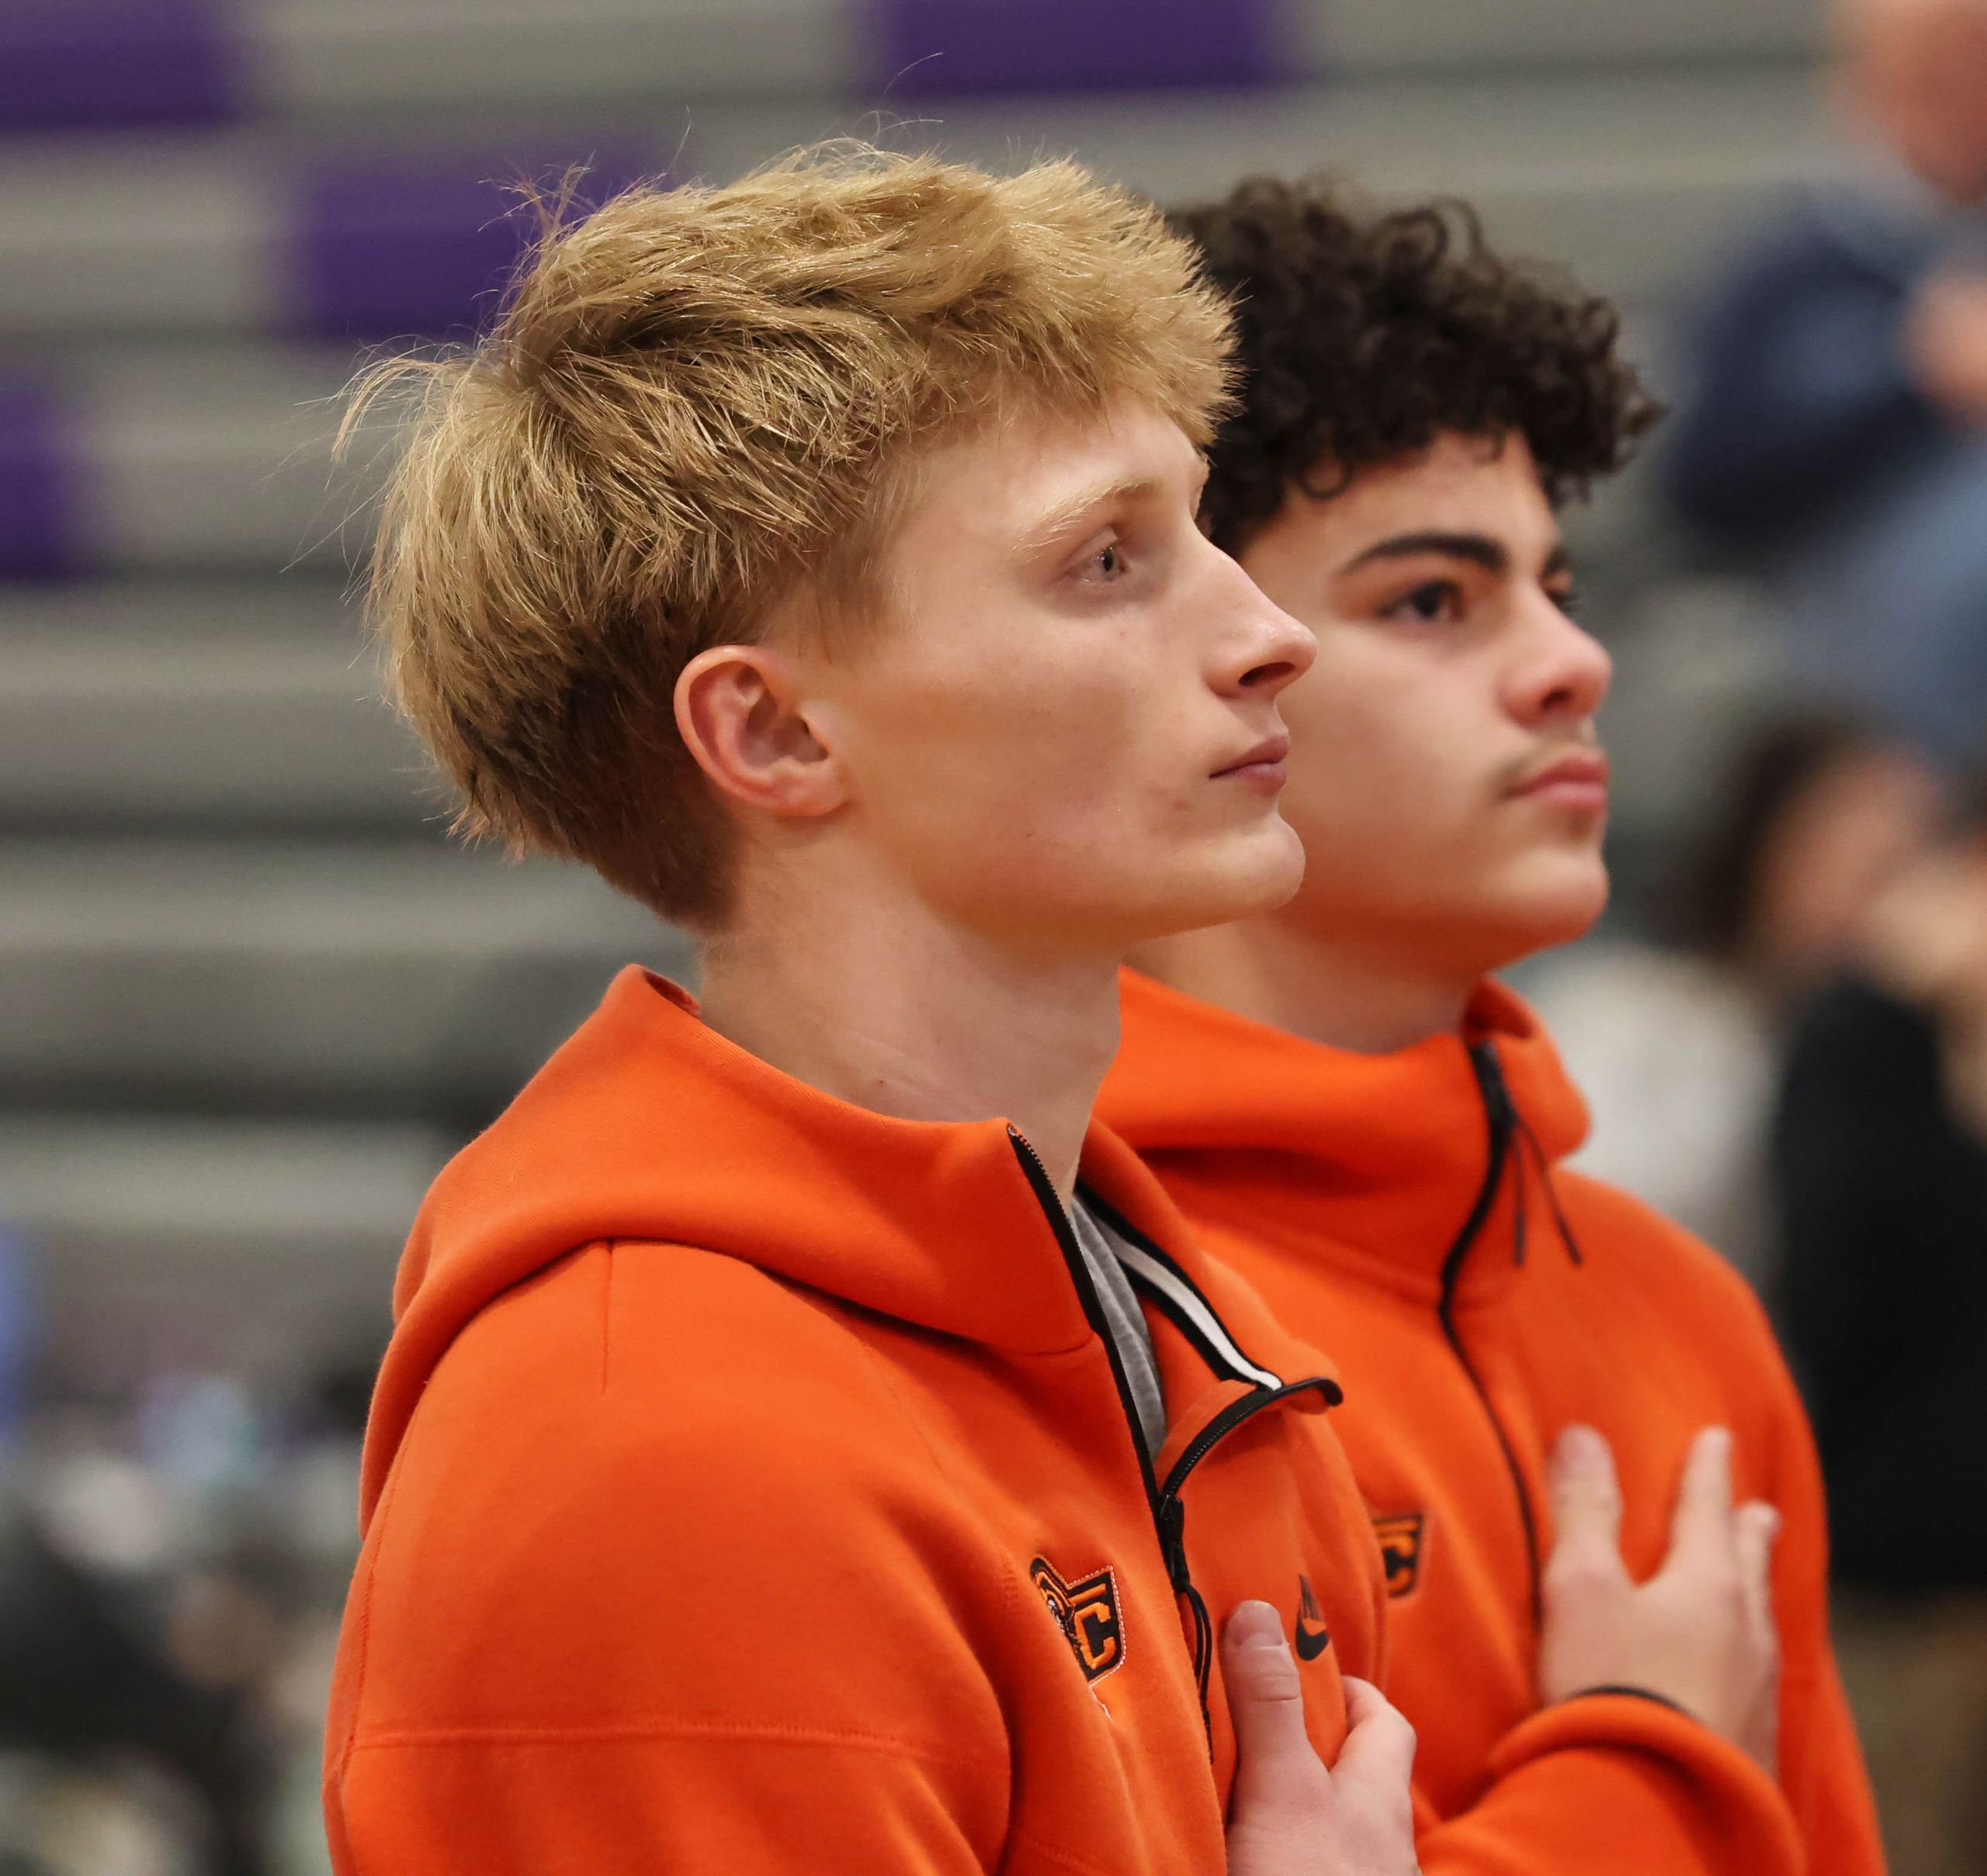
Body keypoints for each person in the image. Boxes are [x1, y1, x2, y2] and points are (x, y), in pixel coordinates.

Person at [319, 149, 1420, 1875]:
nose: (1269, 630)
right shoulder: (646, 1444)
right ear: (771, 734)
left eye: (1198, 524)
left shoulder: (1176, 1315)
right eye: (1106, 560)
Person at [1098, 177, 1882, 1876]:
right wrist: (1648, 1756)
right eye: (1432, 601)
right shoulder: (1067, 1313)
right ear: (1200, 666)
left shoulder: (1679, 1310)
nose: (1570, 663)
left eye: (1556, 582)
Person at [1663, 0, 1987, 767]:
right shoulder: (1798, 267)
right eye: (1936, 76)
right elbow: (1706, 486)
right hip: (1868, 700)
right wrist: (1913, 377)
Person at [1531, 711, 1945, 1285]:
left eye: (1914, 866)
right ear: (1763, 845)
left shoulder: (1936, 1065)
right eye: (1869, 868)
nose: (1895, 907)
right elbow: (1590, 1227)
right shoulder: (1630, 1013)